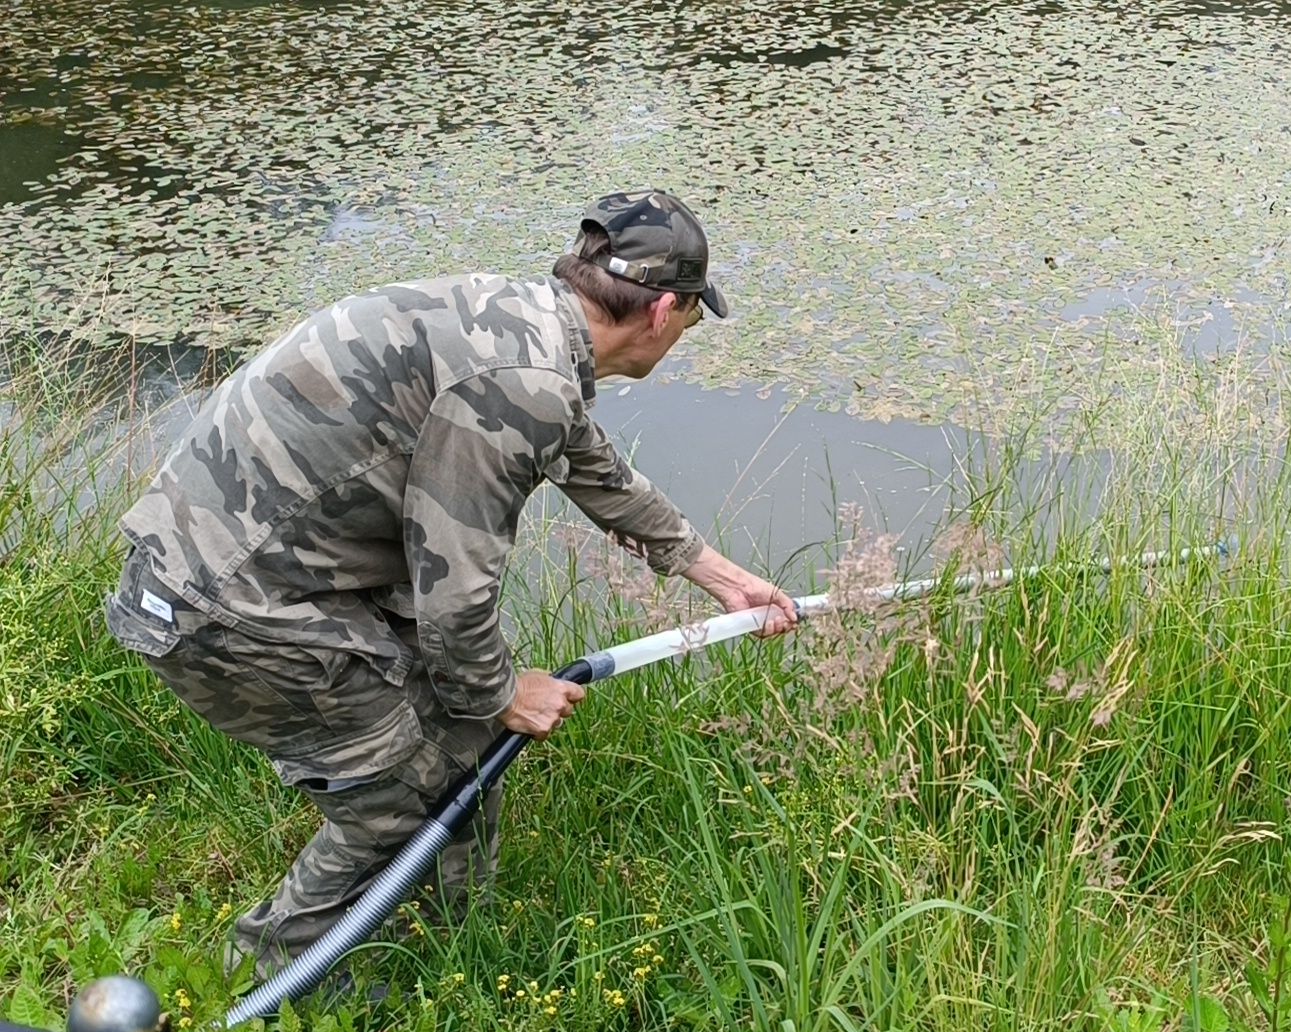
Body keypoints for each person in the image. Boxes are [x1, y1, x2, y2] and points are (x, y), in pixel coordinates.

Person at [102, 190, 798, 979]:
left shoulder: (519, 322)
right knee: (402, 792)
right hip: (226, 609)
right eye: (694, 321)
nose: (683, 335)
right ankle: (259, 978)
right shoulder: (524, 383)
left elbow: (594, 468)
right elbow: (454, 604)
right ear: (665, 311)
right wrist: (505, 693)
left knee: (463, 738)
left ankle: (463, 945)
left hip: (240, 575)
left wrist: (722, 578)